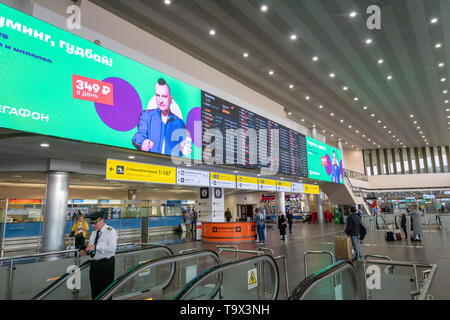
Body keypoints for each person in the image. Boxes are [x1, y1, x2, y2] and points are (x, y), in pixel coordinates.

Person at [132, 78, 192, 157]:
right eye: (158, 95)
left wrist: (182, 147)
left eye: (164, 96)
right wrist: (143, 142)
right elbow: (138, 136)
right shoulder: (146, 115)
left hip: (170, 167)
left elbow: (182, 144)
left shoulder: (179, 123)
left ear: (171, 99)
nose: (160, 100)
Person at [80, 211, 117, 300]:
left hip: (106, 265)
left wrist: (96, 247)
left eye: (94, 223)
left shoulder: (110, 231)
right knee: (95, 291)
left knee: (106, 292)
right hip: (94, 265)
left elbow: (112, 249)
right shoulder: (94, 233)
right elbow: (92, 248)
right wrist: (86, 251)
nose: (93, 225)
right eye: (91, 223)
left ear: (101, 220)